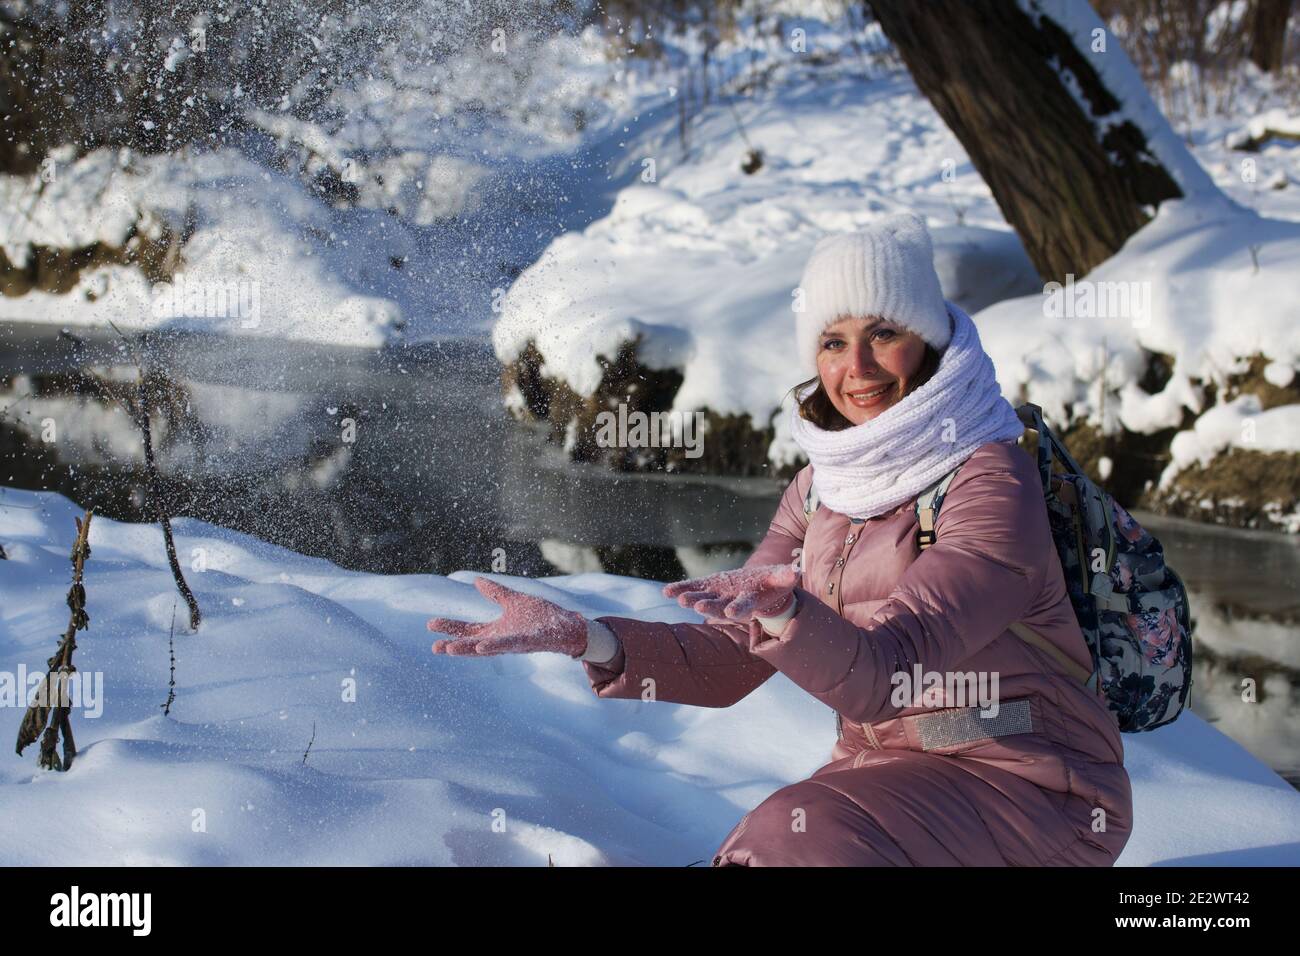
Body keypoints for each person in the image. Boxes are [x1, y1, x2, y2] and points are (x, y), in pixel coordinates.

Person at [429, 212, 1133, 866]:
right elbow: (734, 658)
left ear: (929, 341)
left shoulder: (989, 478)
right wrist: (587, 638)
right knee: (774, 840)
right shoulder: (823, 487)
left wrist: (790, 616)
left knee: (794, 836)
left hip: (1035, 782)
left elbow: (894, 670)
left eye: (883, 333)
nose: (855, 366)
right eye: (833, 342)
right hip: (888, 773)